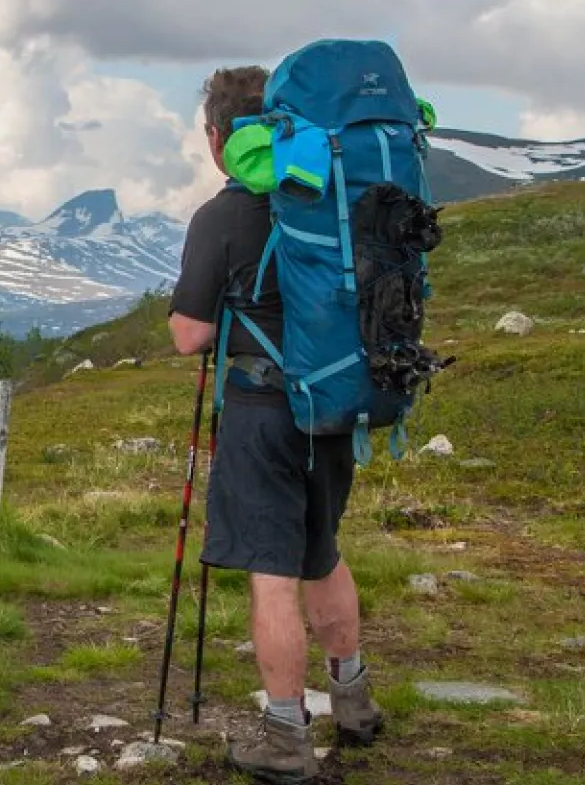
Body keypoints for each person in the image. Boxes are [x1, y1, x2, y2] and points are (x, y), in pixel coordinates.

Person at [166, 66, 383, 782]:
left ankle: (287, 737)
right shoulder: (332, 199)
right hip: (336, 403)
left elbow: (190, 336)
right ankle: (354, 703)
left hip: (263, 412)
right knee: (322, 552)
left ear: (219, 138)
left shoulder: (224, 216)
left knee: (272, 571)